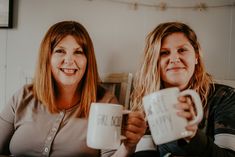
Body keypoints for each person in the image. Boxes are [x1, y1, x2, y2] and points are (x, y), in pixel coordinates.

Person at [0, 21, 147, 157]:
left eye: (78, 52)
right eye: (60, 51)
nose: (69, 60)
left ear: (88, 61)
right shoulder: (23, 96)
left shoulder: (106, 103)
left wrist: (129, 146)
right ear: (47, 58)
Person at [130, 21, 235, 157]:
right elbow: (144, 155)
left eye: (182, 50)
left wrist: (193, 136)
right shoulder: (148, 101)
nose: (174, 58)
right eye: (164, 53)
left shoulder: (225, 97)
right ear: (153, 61)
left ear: (196, 56)